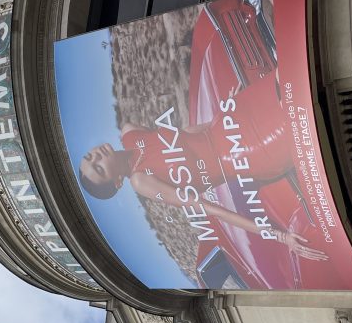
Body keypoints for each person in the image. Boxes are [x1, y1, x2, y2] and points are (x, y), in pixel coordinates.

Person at [78, 76, 327, 263]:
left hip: (231, 118)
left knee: (295, 75)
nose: (97, 156)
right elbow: (208, 209)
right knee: (308, 117)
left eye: (90, 156)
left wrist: (224, 111)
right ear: (117, 182)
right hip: (243, 153)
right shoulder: (140, 181)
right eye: (98, 168)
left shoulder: (129, 131)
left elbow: (186, 135)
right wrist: (281, 237)